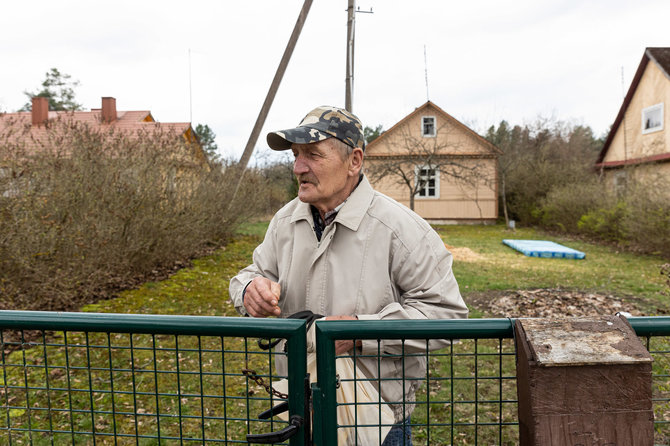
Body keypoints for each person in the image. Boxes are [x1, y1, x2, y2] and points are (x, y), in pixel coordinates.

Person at [229, 105, 468, 445]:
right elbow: (252, 274)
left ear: (354, 161)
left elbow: (447, 315)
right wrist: (249, 289)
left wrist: (358, 332)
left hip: (379, 419)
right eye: (296, 155)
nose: (298, 167)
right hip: (300, 410)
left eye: (313, 154)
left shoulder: (399, 228)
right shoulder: (284, 221)